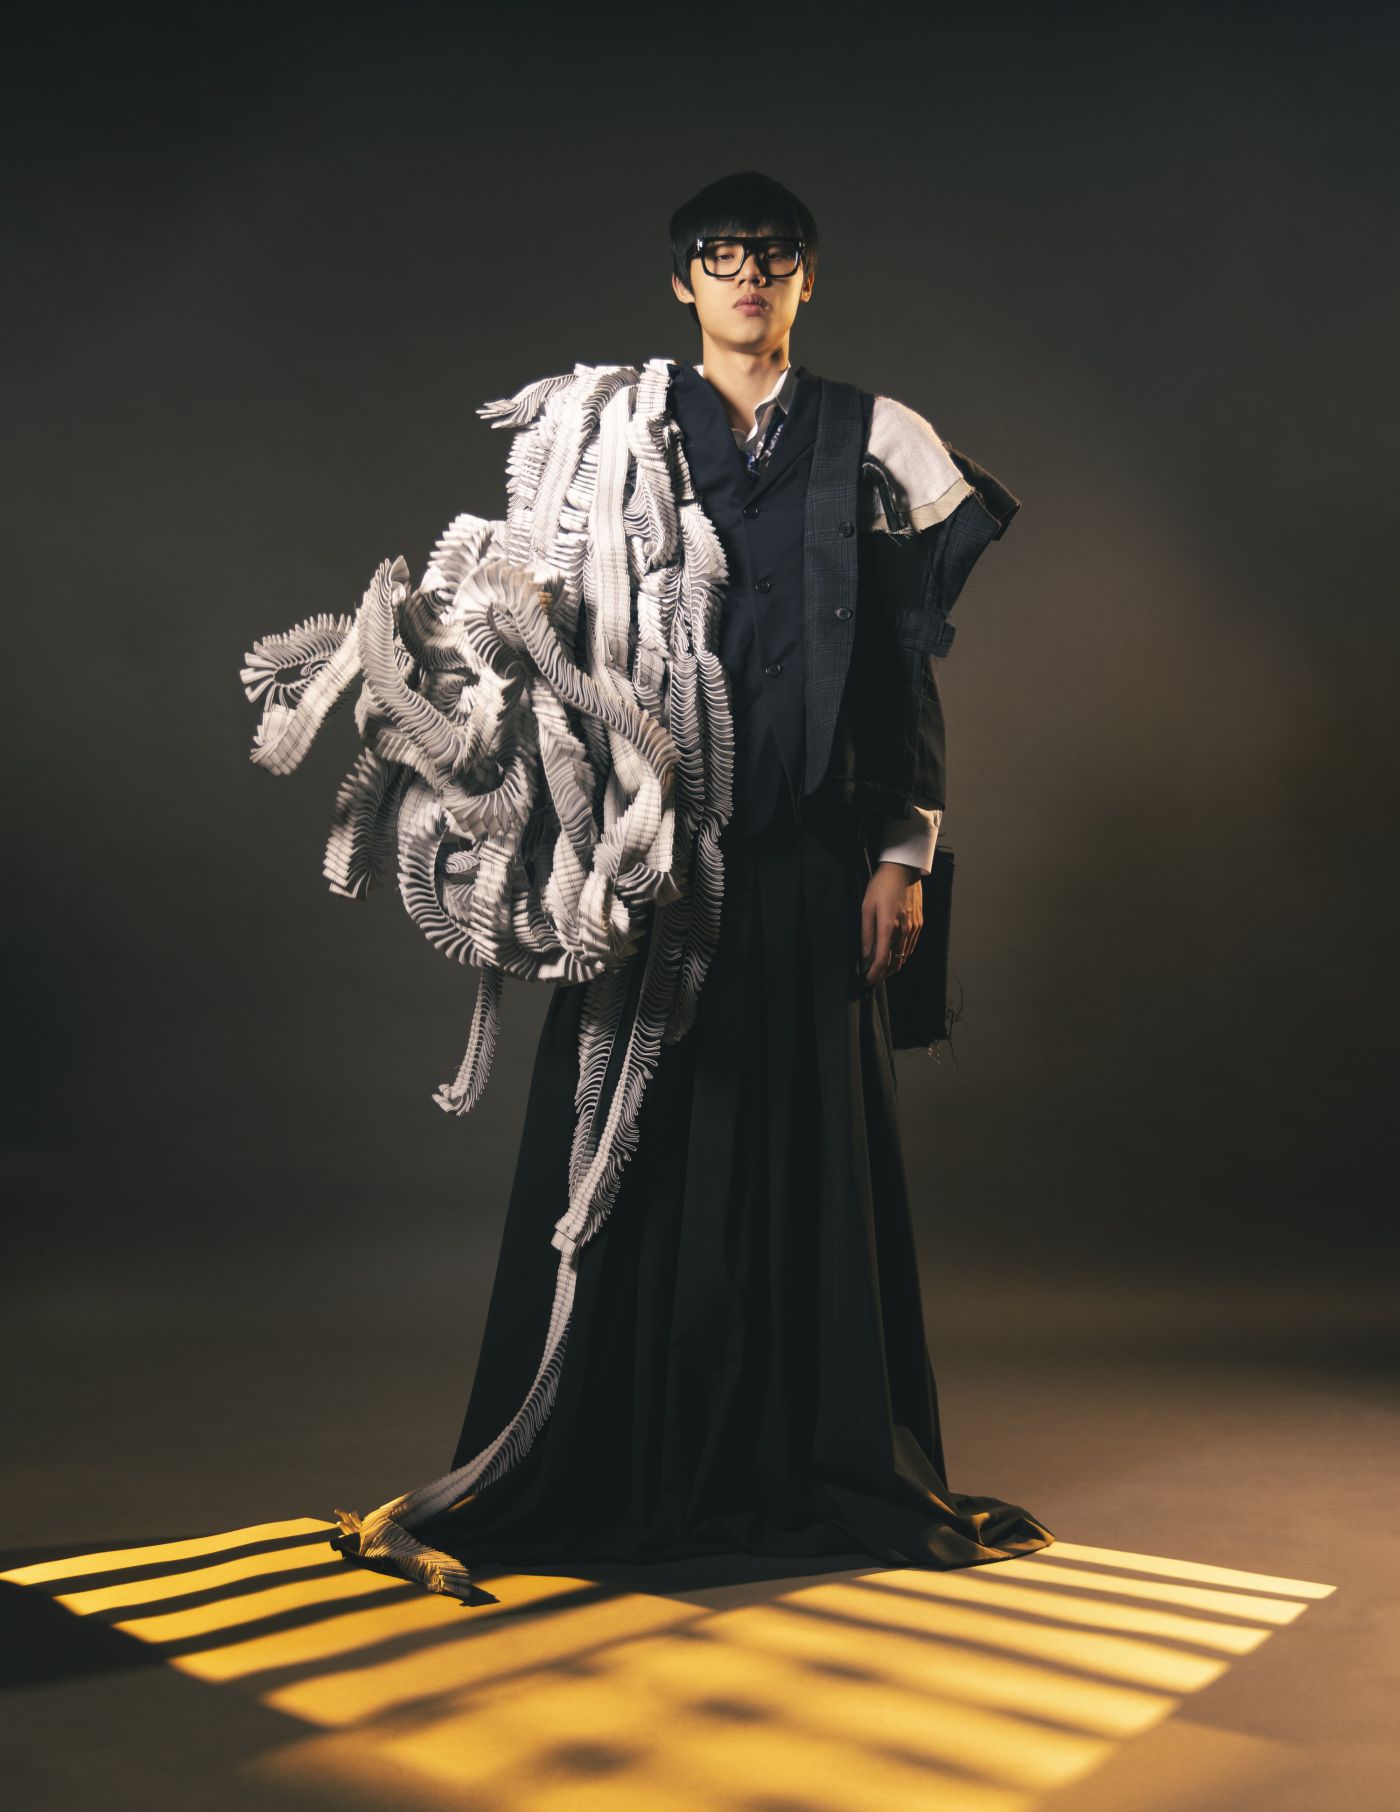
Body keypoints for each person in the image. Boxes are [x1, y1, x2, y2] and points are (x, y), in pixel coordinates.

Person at [326, 170, 1054, 1588]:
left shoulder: (871, 439)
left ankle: (810, 1460)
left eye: (774, 255)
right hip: (652, 862)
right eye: (721, 256)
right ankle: (611, 1456)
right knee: (626, 1155)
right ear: (684, 282)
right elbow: (533, 626)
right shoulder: (611, 434)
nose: (748, 275)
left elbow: (902, 663)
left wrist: (902, 854)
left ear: (806, 279)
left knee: (812, 1156)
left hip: (817, 854)